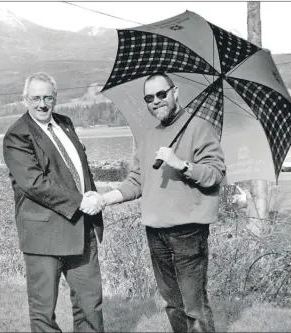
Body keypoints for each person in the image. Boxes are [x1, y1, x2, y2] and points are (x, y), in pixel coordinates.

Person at [84, 73, 226, 332]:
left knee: (194, 306)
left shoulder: (200, 128)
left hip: (188, 232)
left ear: (175, 93)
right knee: (173, 304)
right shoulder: (148, 136)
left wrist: (181, 164)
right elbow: (136, 182)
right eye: (149, 98)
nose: (156, 101)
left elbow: (215, 175)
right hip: (156, 232)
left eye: (161, 94)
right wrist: (104, 199)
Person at [3, 72, 105, 332]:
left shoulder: (65, 123)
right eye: (35, 98)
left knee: (90, 307)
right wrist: (82, 201)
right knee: (43, 314)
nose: (42, 104)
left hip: (82, 231)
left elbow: (79, 170)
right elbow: (34, 185)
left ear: (55, 98)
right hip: (43, 239)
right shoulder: (17, 136)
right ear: (25, 99)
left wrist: (93, 196)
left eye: (48, 97)